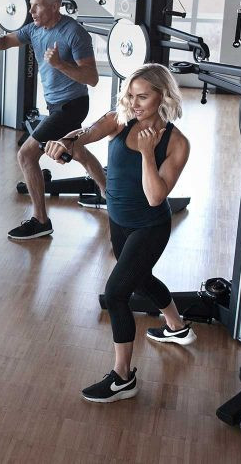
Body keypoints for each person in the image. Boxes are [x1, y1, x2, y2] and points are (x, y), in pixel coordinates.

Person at [44, 64, 195, 403]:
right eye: (130, 95)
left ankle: (123, 377)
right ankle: (177, 326)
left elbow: (155, 197)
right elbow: (87, 133)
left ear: (163, 96)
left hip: (150, 226)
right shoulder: (119, 119)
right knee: (140, 279)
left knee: (116, 294)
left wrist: (146, 153)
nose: (134, 103)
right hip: (119, 221)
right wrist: (66, 142)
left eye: (143, 97)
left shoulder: (177, 143)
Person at [0, 0, 103, 240]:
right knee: (77, 151)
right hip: (56, 104)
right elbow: (10, 39)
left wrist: (60, 64)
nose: (31, 11)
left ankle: (41, 220)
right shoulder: (35, 28)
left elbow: (92, 78)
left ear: (55, 7)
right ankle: (108, 194)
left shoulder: (74, 33)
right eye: (31, 5)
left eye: (37, 6)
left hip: (72, 105)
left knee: (26, 155)